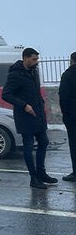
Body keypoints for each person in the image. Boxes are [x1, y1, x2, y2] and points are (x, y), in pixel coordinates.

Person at [2, 47, 58, 189]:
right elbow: (6, 94)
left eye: (37, 59)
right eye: (34, 59)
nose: (36, 62)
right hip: (25, 116)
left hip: (38, 114)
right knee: (28, 145)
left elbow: (35, 91)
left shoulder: (34, 71)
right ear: (25, 58)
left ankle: (41, 173)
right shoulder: (15, 74)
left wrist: (41, 104)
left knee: (44, 142)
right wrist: (24, 105)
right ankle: (33, 178)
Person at [59, 51, 76, 182]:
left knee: (74, 143)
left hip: (72, 116)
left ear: (72, 60)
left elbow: (63, 97)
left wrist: (65, 114)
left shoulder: (68, 75)